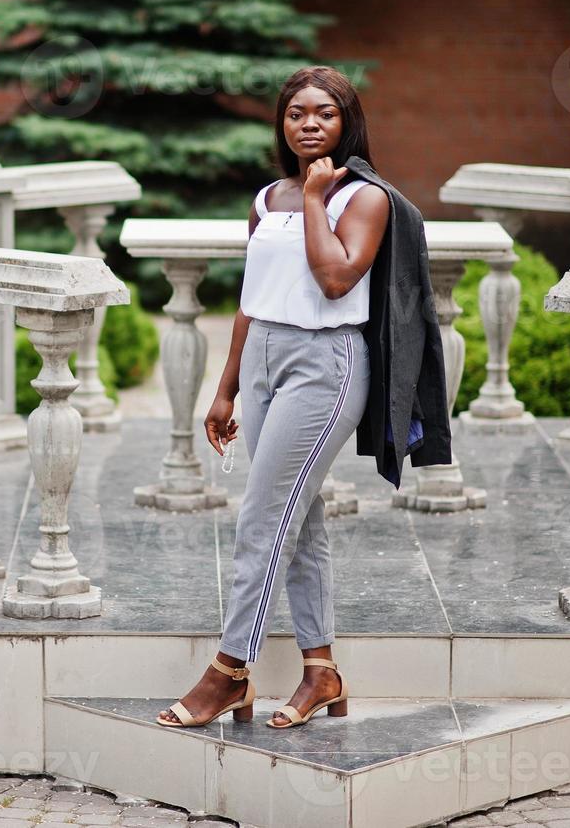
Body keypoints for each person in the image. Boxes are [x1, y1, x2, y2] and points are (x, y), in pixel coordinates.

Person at [156, 65, 389, 731]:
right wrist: (224, 388)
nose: (309, 124)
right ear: (280, 124)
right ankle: (322, 672)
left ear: (346, 122)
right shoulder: (264, 199)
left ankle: (229, 672)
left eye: (324, 113)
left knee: (262, 517)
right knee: (300, 519)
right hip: (261, 361)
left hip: (325, 363)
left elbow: (338, 278)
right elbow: (251, 297)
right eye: (295, 114)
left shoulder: (363, 197)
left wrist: (316, 201)